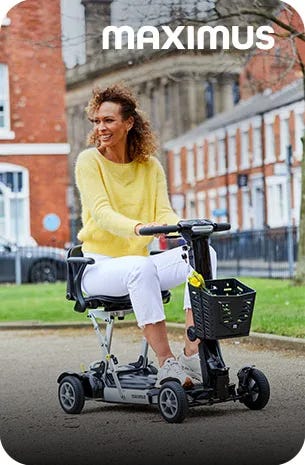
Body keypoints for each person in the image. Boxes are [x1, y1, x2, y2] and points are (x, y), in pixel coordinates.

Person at [75, 83, 217, 388]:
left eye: (108, 120)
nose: (101, 127)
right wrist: (138, 227)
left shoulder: (150, 166)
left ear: (129, 123)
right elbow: (101, 212)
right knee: (140, 268)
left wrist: (186, 230)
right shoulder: (89, 162)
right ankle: (167, 363)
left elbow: (163, 213)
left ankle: (193, 350)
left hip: (138, 263)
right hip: (99, 266)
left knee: (203, 255)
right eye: (97, 121)